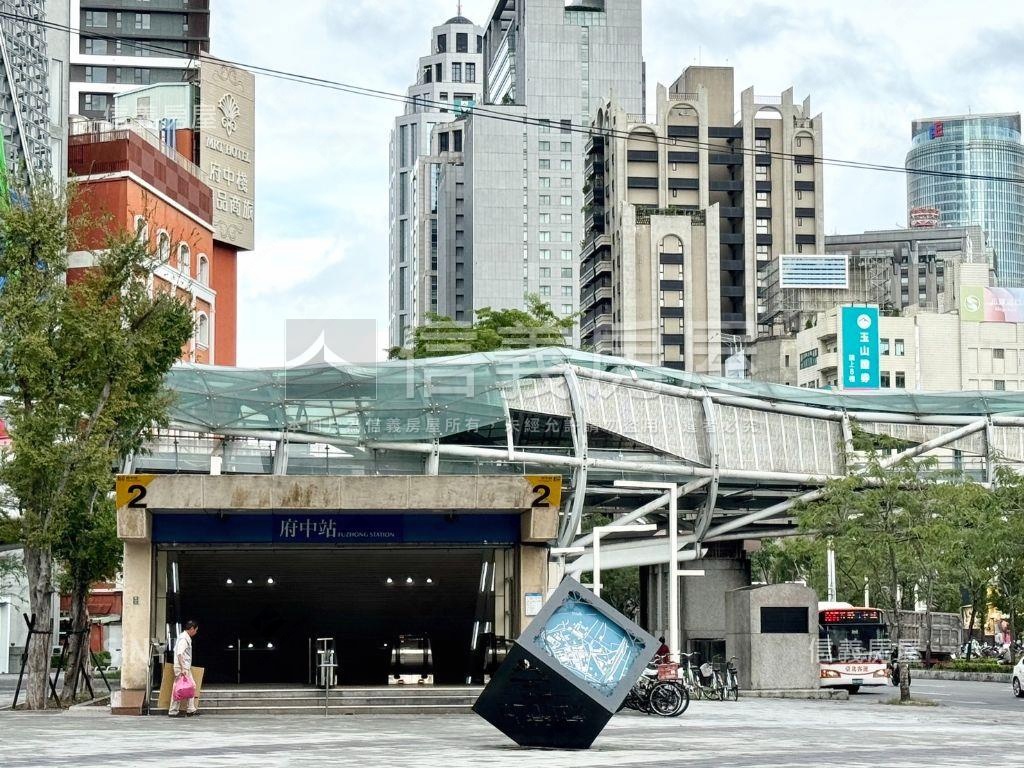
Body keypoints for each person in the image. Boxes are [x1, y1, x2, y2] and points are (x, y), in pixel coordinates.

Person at [169, 620, 200, 718]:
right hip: (182, 667)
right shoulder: (184, 639)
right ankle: (175, 710)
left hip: (184, 666)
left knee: (187, 686)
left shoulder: (184, 637)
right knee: (180, 688)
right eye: (195, 630)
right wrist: (183, 668)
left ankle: (189, 709)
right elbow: (179, 653)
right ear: (191, 629)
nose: (196, 632)